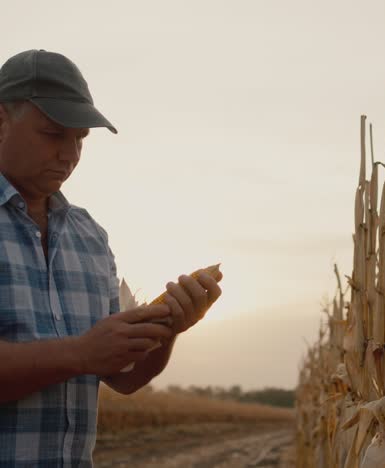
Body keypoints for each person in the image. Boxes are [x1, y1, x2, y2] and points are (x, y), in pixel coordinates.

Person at [0, 49, 223, 467]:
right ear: (1, 122)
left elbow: (123, 377)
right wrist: (80, 353)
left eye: (80, 138)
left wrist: (167, 329)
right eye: (53, 134)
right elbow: (89, 355)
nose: (70, 154)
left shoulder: (90, 238)